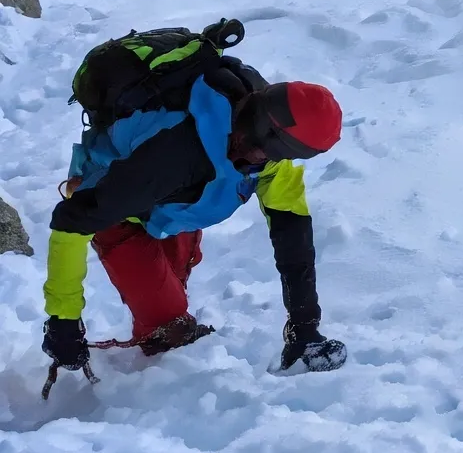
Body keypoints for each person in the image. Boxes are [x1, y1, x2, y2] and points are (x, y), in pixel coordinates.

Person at [41, 51, 347, 381]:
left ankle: (162, 346)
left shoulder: (270, 163)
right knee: (167, 322)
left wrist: (305, 327)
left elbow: (294, 242)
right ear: (262, 116)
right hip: (117, 206)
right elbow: (73, 219)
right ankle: (157, 381)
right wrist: (63, 321)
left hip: (175, 209)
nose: (259, 156)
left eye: (281, 153)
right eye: (264, 145)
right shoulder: (175, 154)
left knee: (169, 298)